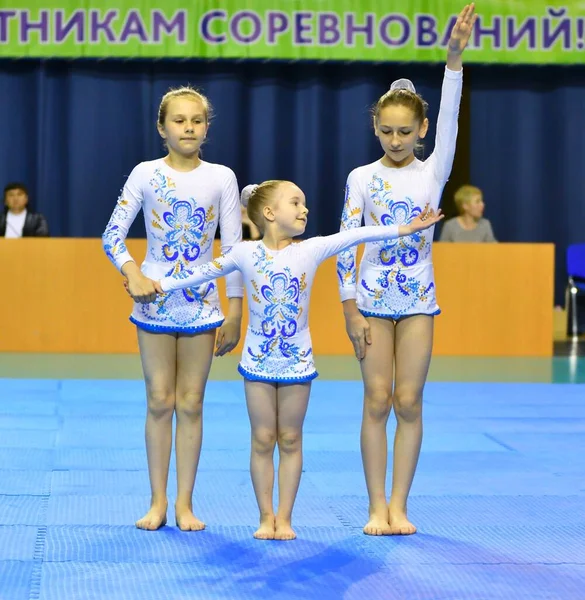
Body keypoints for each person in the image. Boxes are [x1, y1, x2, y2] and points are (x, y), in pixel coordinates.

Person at [132, 179, 443, 541]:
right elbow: (200, 272)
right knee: (263, 438)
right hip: (257, 361)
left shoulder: (309, 250)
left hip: (296, 361)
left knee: (291, 438)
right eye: (295, 202)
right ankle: (266, 517)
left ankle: (286, 517)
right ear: (269, 213)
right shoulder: (245, 254)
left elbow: (360, 235)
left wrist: (407, 227)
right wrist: (154, 285)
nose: (304, 209)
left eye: (305, 203)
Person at [337, 4, 477, 536]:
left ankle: (399, 504)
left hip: (418, 300)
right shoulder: (360, 178)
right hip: (370, 301)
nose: (396, 141)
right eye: (387, 131)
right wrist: (349, 308)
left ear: (420, 130)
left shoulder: (433, 171)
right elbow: (345, 244)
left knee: (409, 400)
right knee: (376, 399)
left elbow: (452, 114)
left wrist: (454, 57)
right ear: (376, 127)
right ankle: (375, 505)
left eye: (405, 132)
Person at [102, 86, 244, 531]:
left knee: (192, 402)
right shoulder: (145, 174)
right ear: (162, 128)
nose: (188, 128)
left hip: (202, 304)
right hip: (154, 301)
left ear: (206, 128)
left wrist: (236, 310)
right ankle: (158, 501)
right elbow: (111, 235)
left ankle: (185, 503)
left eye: (196, 121)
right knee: (160, 401)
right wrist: (132, 273)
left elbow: (235, 248)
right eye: (179, 121)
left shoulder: (222, 177)